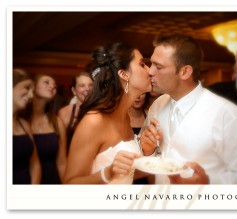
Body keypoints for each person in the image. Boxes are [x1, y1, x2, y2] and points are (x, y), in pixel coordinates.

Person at [140, 34, 237, 184]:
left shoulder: (227, 114)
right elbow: (152, 160)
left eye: (158, 67)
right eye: (151, 64)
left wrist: (208, 182)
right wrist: (148, 151)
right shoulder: (157, 105)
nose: (150, 71)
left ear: (185, 72)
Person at [63, 42, 152, 184]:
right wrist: (107, 173)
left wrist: (150, 155)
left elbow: (125, 174)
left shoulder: (125, 116)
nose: (150, 70)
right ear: (123, 74)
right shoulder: (94, 121)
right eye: (142, 64)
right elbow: (70, 183)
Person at [23, 74, 67, 184]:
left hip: (52, 181)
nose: (52, 86)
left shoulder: (57, 122)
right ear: (33, 86)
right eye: (46, 82)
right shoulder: (19, 121)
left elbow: (62, 162)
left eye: (54, 85)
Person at [13, 69, 42, 184]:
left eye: (33, 91)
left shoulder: (24, 124)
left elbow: (35, 165)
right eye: (26, 88)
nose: (31, 95)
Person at [57, 72, 93, 154]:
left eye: (90, 85)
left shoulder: (102, 111)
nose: (87, 89)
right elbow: (61, 149)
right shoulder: (64, 113)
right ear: (74, 90)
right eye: (82, 85)